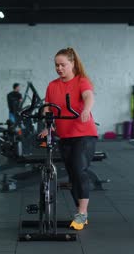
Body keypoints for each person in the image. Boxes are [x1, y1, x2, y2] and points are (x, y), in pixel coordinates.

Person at [40, 47, 97, 231]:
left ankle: (82, 213)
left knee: (80, 171)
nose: (59, 68)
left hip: (84, 134)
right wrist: (47, 126)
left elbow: (88, 96)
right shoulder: (52, 85)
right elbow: (47, 107)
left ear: (72, 64)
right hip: (64, 136)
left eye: (63, 65)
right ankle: (80, 212)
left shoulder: (82, 81)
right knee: (73, 176)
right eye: (56, 65)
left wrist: (86, 110)